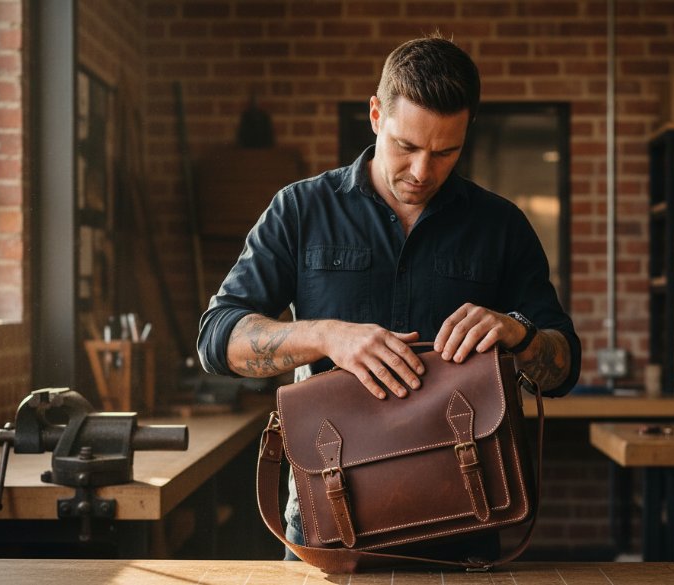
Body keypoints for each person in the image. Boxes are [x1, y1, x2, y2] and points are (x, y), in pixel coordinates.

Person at [198, 33, 581, 562]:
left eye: (445, 152)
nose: (423, 172)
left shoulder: (502, 227)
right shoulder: (299, 210)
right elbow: (217, 338)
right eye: (407, 146)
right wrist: (326, 334)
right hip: (328, 528)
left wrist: (521, 334)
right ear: (376, 114)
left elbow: (564, 369)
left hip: (464, 529)